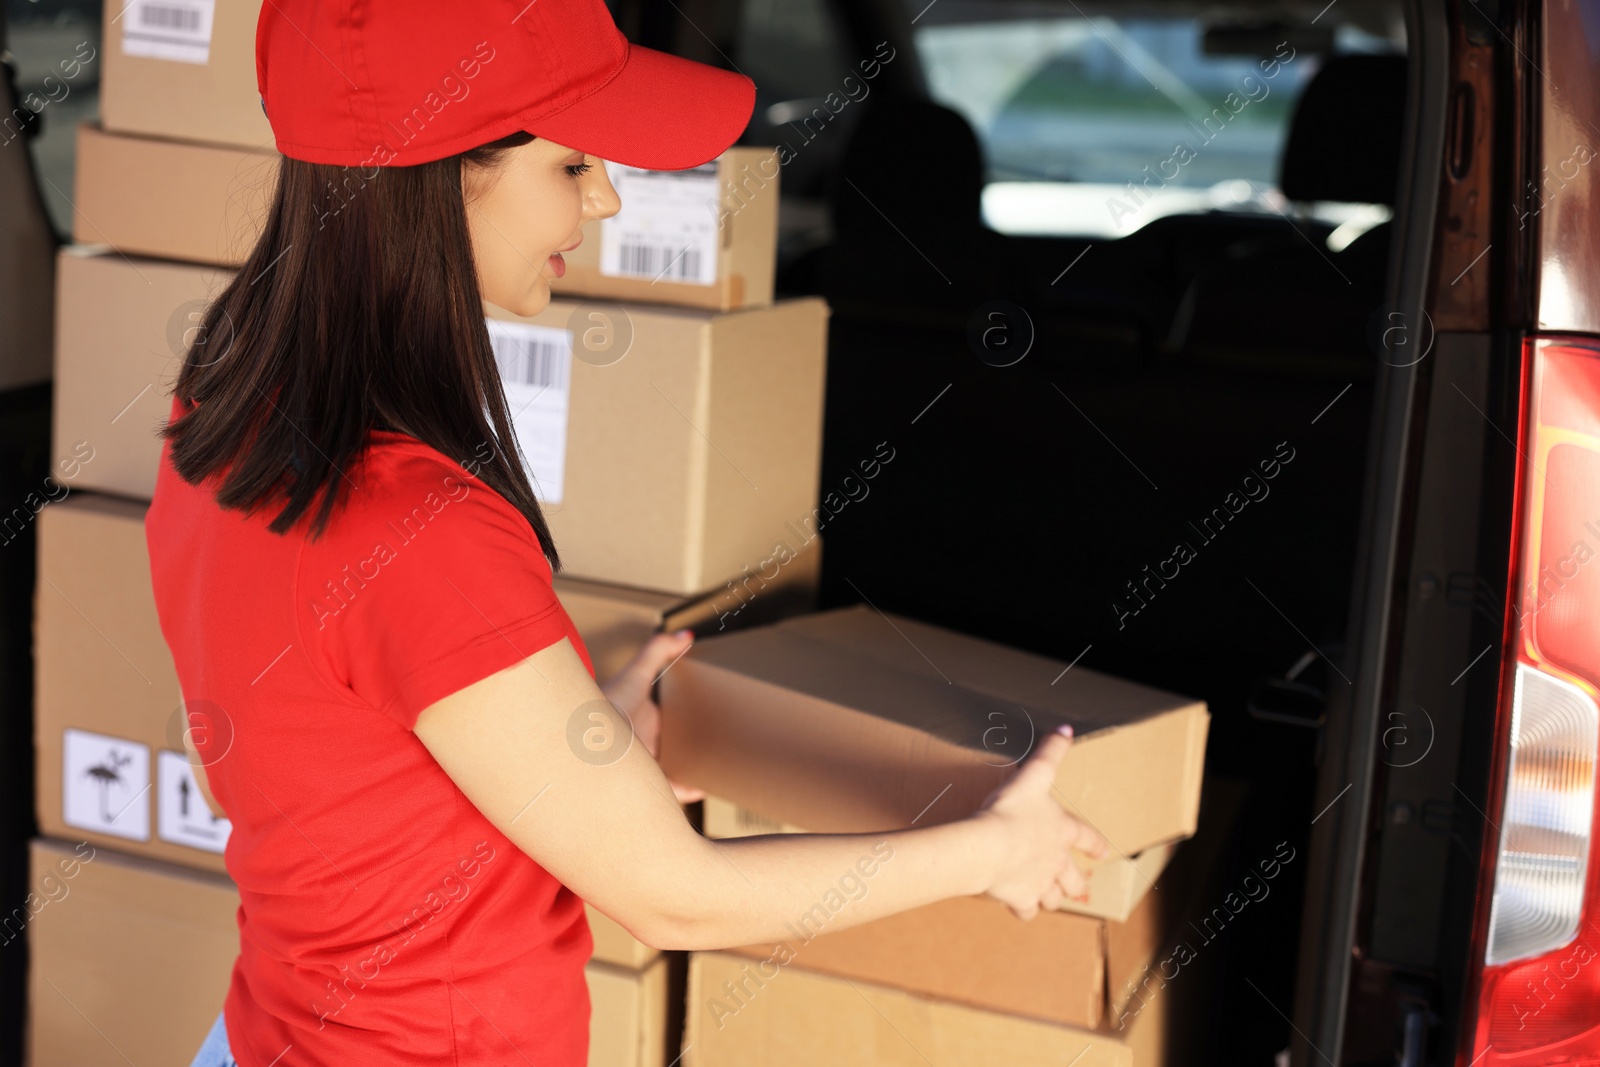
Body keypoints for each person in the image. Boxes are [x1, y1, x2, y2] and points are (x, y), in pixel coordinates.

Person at [146, 1, 1108, 1065]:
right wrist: (992, 850)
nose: (604, 198)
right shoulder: (418, 525)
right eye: (569, 166)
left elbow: (343, 745)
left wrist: (563, 731)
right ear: (445, 172)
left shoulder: (226, 417)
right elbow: (680, 900)